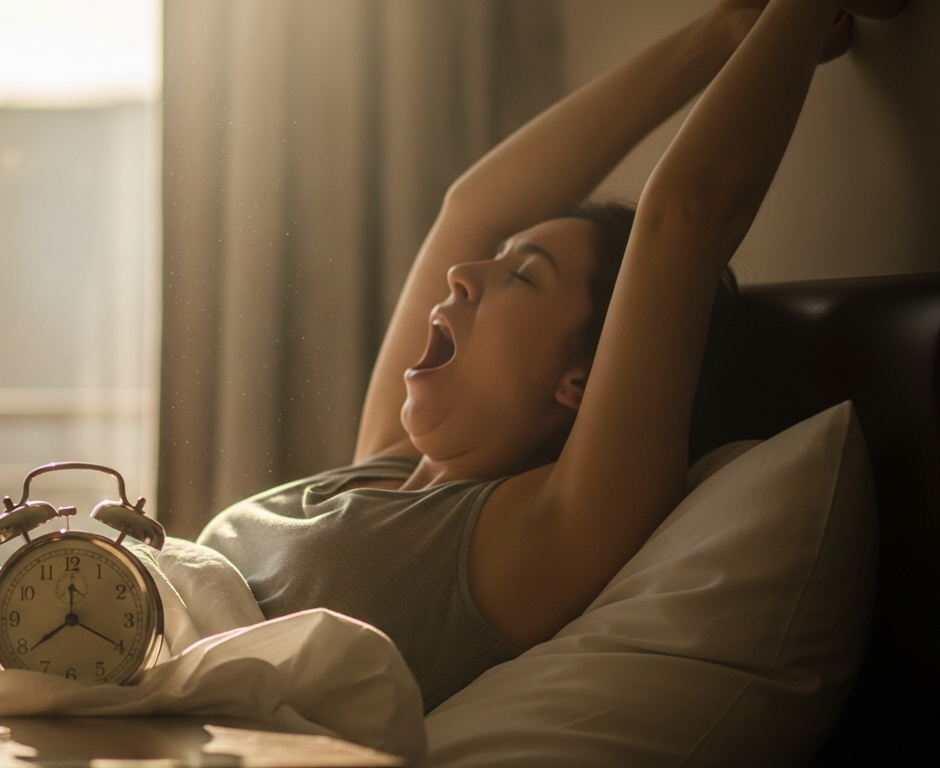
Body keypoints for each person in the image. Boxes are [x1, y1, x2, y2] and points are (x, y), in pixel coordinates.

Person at [198, 0, 905, 714]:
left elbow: (683, 217)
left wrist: (799, 11)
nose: (462, 274)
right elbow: (470, 208)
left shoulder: (536, 539)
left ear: (582, 380)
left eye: (523, 274)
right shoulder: (388, 461)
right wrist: (724, 30)